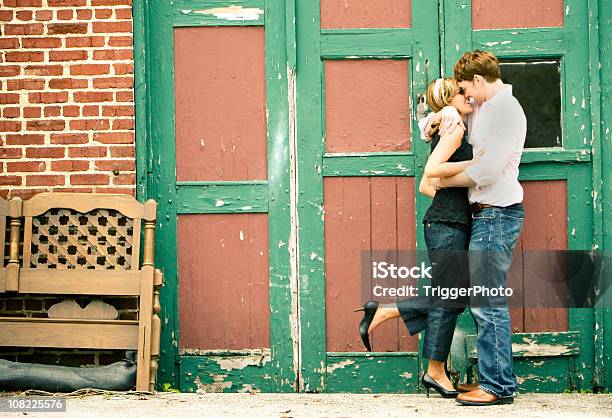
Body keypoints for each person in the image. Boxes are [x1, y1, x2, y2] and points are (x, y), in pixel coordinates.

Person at [355, 77, 477, 398]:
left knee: (453, 299)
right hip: (447, 223)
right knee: (449, 298)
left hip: (448, 222)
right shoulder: (455, 126)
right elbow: (431, 169)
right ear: (452, 98)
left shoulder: (447, 125)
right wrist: (477, 164)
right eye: (465, 94)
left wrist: (455, 179)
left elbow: (428, 186)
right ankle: (435, 371)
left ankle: (385, 311)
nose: (471, 98)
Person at [425, 50, 527, 406]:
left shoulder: (506, 112)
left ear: (480, 81)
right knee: (483, 299)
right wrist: (445, 112)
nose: (466, 93)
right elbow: (438, 117)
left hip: (498, 213)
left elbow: (486, 172)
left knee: (488, 301)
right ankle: (496, 380)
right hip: (485, 214)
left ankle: (497, 387)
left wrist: (439, 178)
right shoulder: (485, 105)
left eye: (468, 86)